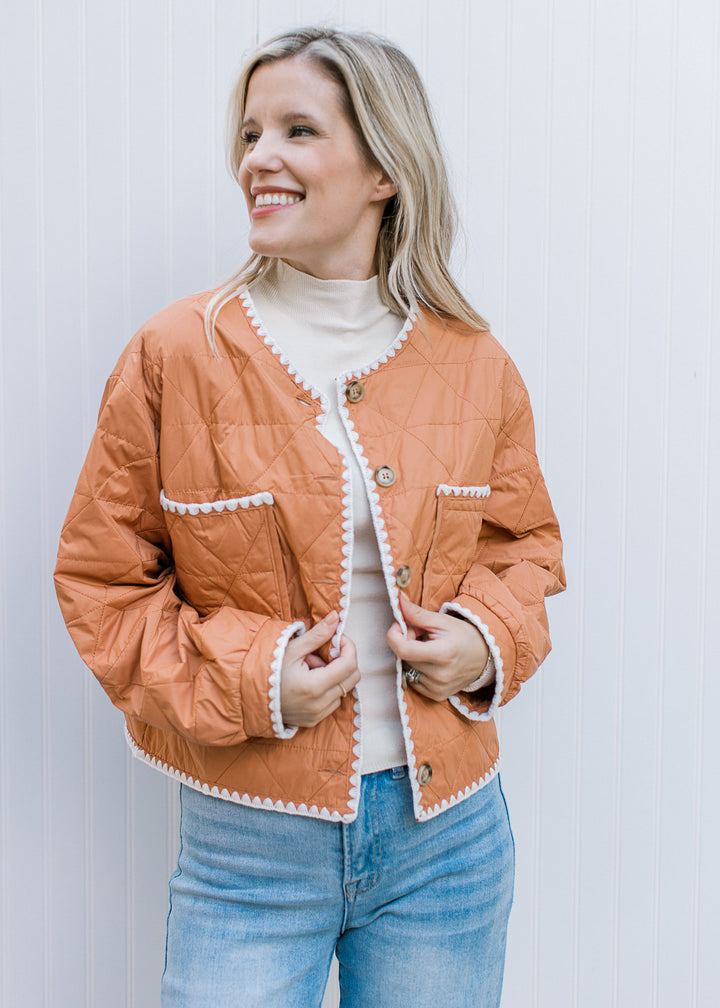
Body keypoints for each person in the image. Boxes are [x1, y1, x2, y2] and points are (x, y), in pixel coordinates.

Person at [54, 26, 565, 1008]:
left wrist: (483, 641)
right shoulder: (177, 354)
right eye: (250, 134)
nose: (259, 158)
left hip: (450, 846)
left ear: (385, 169)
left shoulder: (476, 362)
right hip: (248, 847)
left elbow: (523, 549)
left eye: (297, 130)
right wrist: (258, 676)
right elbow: (102, 584)